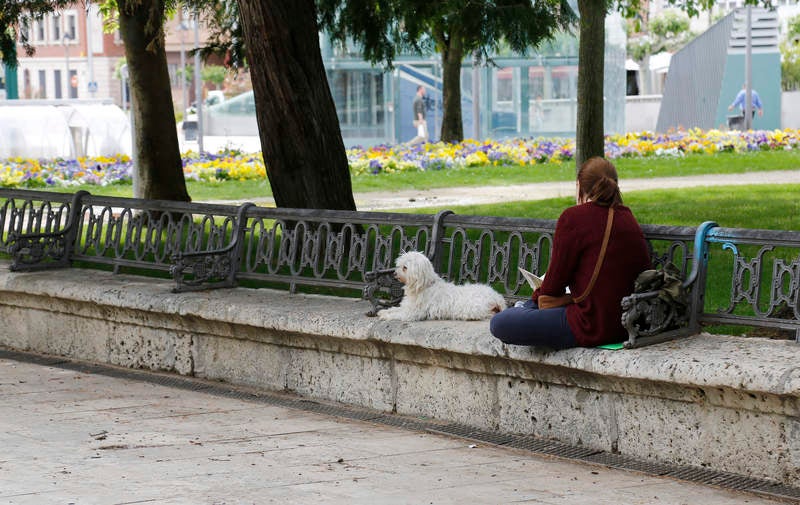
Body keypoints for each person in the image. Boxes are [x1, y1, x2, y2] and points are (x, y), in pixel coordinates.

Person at [490, 157, 651, 349]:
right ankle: (525, 309)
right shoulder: (627, 216)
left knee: (501, 322)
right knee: (526, 310)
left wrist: (534, 301)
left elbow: (553, 287)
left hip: (590, 324)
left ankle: (523, 309)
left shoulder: (574, 218)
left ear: (580, 187)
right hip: (627, 324)